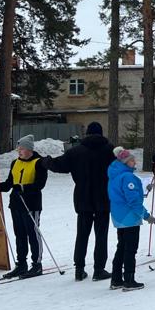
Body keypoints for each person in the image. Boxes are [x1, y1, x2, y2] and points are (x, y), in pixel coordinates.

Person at [45, 121, 114, 282]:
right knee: (101, 235)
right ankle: (99, 269)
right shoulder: (110, 151)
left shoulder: (76, 151)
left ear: (87, 133)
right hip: (104, 198)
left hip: (83, 198)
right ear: (101, 133)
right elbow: (123, 166)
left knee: (82, 234)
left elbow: (58, 165)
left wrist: (46, 161)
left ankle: (79, 269)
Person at [0, 134, 48, 279]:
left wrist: (23, 187)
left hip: (31, 205)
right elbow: (10, 183)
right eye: (18, 148)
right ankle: (21, 264)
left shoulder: (39, 163)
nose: (19, 151)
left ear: (29, 149)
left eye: (21, 148)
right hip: (16, 204)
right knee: (20, 235)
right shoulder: (15, 163)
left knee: (33, 234)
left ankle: (37, 265)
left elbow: (40, 185)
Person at [107, 147, 155, 291]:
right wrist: (147, 216)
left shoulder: (115, 175)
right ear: (125, 162)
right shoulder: (127, 177)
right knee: (130, 249)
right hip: (129, 218)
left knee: (121, 247)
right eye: (131, 160)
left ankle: (116, 279)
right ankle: (129, 280)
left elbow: (127, 194)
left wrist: (143, 190)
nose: (135, 162)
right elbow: (133, 201)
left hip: (119, 217)